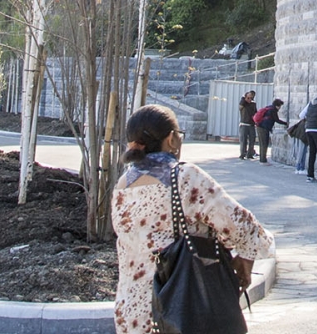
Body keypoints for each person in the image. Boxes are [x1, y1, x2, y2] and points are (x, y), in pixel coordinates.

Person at [111, 105, 273, 334]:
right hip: (181, 309)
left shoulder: (122, 185)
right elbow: (240, 224)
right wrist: (246, 256)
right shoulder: (183, 177)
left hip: (132, 313)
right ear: (171, 139)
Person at [255, 99, 288, 164]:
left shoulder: (269, 107)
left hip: (260, 126)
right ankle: (263, 160)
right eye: (280, 106)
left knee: (262, 143)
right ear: (277, 106)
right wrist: (286, 123)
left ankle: (262, 159)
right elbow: (277, 120)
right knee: (265, 143)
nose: (279, 108)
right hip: (264, 128)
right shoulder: (273, 110)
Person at [239, 90, 258, 160]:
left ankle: (250, 154)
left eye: (251, 98)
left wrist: (256, 121)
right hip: (244, 124)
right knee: (243, 140)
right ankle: (242, 154)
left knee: (252, 140)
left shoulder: (253, 104)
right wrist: (244, 97)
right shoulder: (243, 103)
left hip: (251, 125)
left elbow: (256, 113)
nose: (249, 99)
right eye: (248, 98)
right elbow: (241, 105)